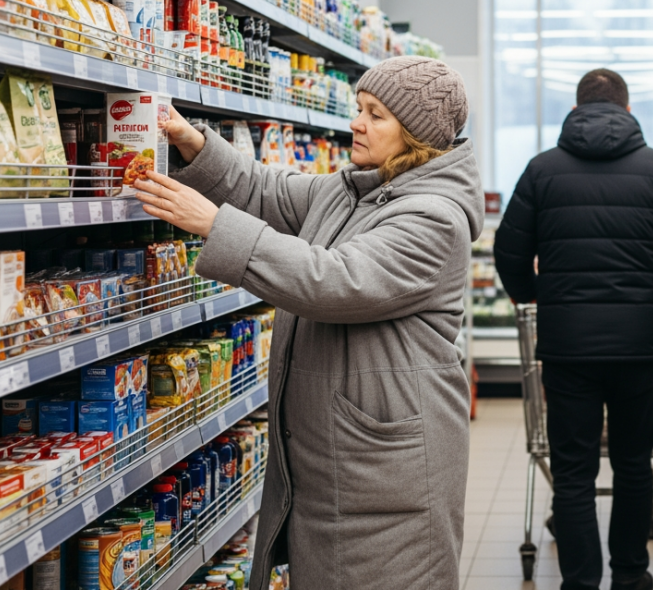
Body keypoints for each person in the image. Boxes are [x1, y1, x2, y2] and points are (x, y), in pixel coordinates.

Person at [133, 56, 482, 590]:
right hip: (339, 458)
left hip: (390, 470)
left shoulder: (433, 216)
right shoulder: (355, 190)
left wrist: (213, 224)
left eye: (377, 115)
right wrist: (191, 142)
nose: (357, 123)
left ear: (416, 136)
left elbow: (336, 281)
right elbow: (267, 190)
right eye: (359, 109)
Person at [493, 68, 653, 590]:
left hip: (567, 349)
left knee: (573, 472)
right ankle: (632, 577)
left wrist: (535, 295)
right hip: (641, 347)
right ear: (628, 112)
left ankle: (580, 582)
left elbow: (508, 250)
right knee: (635, 465)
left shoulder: (541, 171)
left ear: (575, 110)